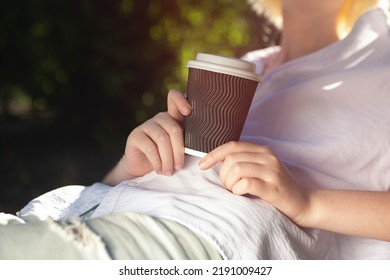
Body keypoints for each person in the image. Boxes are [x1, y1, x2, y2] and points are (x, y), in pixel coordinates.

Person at [1, 0, 390, 260]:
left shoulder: (381, 61)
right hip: (81, 211)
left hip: (203, 236)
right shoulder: (242, 68)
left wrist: (308, 202)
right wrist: (129, 166)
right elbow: (136, 185)